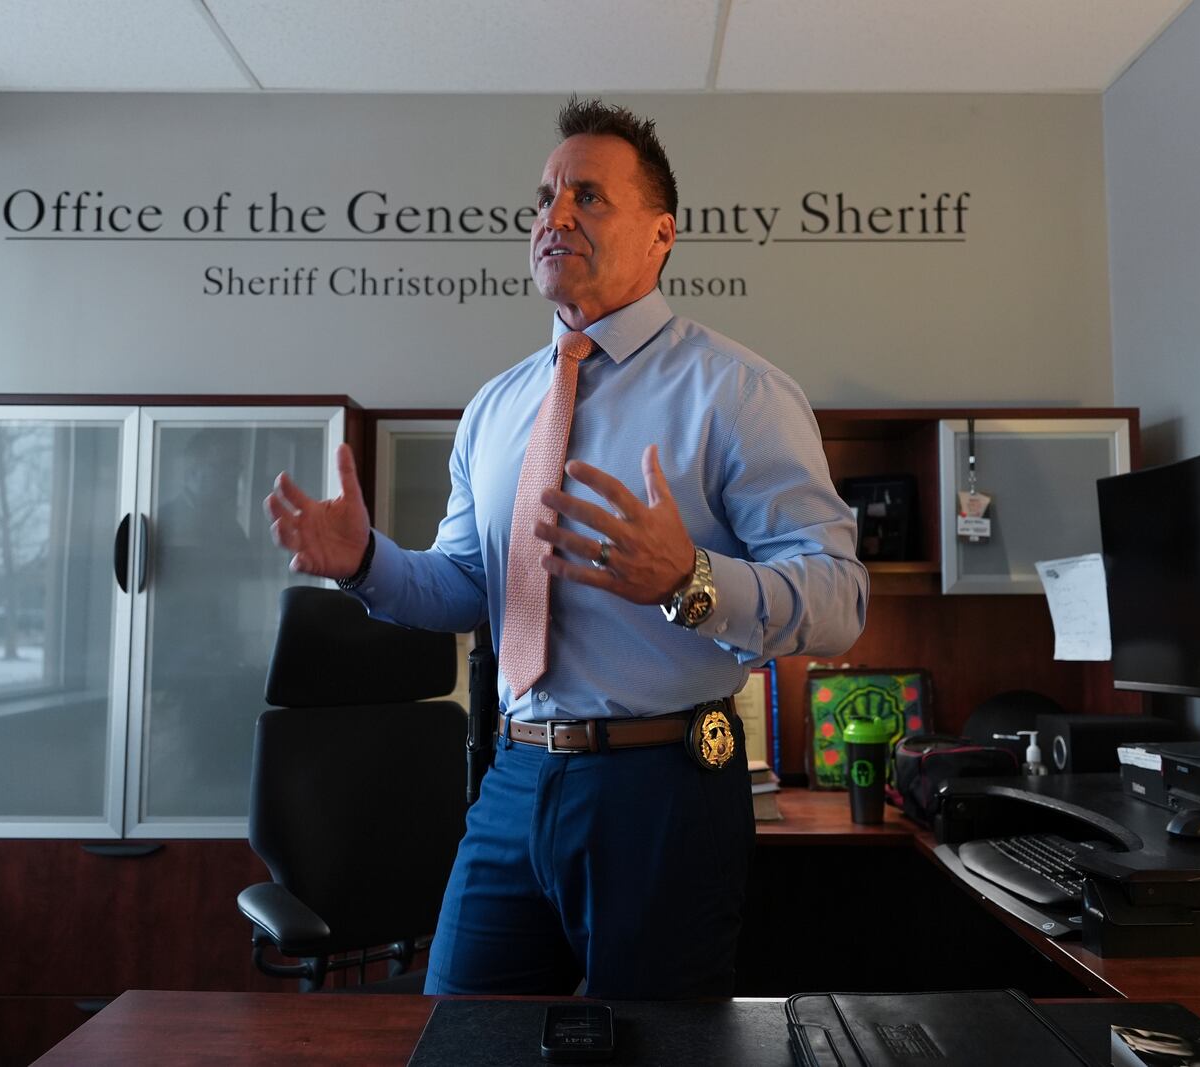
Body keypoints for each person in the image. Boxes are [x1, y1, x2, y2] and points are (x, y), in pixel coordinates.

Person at [265, 98, 867, 999]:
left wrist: (690, 580)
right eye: (544, 198)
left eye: (589, 196)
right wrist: (365, 563)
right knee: (459, 1038)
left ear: (662, 234)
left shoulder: (737, 393)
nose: (555, 216)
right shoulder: (497, 408)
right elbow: (468, 587)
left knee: (653, 1052)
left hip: (664, 785)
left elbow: (839, 598)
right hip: (513, 778)